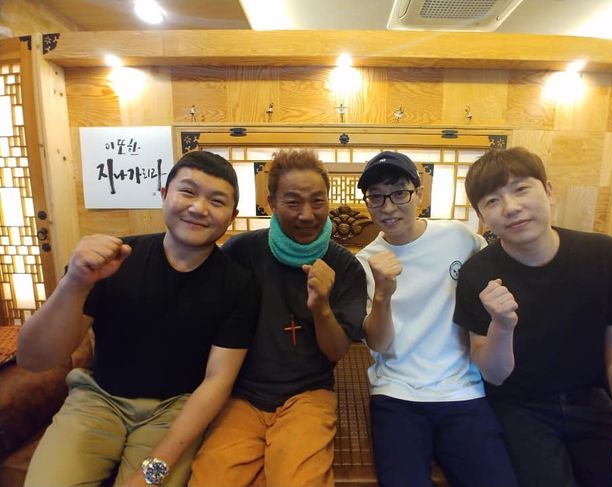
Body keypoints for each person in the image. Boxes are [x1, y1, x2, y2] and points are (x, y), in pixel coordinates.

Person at [17, 151, 258, 487]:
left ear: (231, 217)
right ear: (164, 194)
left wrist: (152, 473)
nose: (199, 208)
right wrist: (75, 283)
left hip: (175, 411)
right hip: (96, 399)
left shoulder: (239, 284)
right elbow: (33, 359)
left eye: (216, 201)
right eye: (187, 192)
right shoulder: (115, 260)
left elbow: (217, 382)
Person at [454, 146, 612, 487]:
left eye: (521, 189)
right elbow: (494, 374)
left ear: (548, 191)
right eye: (492, 201)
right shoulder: (476, 274)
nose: (511, 207)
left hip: (590, 398)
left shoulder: (603, 255)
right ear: (482, 216)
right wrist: (502, 325)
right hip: (518, 407)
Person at [190, 149, 367, 487]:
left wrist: (321, 306)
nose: (307, 214)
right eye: (293, 202)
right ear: (271, 202)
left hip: (309, 394)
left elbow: (336, 352)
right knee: (211, 478)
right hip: (242, 394)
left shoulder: (345, 266)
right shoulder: (241, 253)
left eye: (318, 201)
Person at [355, 151, 519, 487]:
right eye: (376, 197)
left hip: (463, 390)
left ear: (419, 194)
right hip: (395, 392)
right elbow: (379, 345)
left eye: (399, 193)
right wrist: (383, 293)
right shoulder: (364, 263)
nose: (388, 207)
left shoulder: (459, 238)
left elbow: (509, 260)